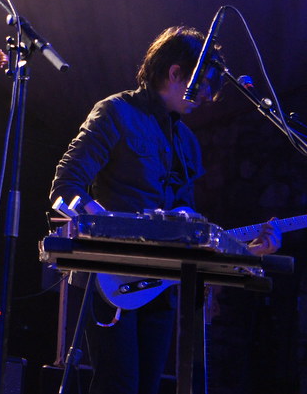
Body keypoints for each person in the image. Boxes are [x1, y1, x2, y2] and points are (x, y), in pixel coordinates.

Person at [48, 25, 281, 394]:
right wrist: (109, 229)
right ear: (174, 73)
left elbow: (188, 228)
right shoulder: (114, 112)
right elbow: (66, 188)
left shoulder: (187, 140)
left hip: (163, 284)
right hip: (109, 281)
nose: (205, 96)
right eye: (202, 84)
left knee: (147, 387)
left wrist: (250, 252)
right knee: (118, 385)